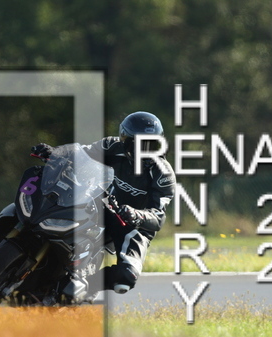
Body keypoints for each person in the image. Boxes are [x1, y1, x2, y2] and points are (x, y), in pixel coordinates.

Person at [31, 111, 176, 297]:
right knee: (45, 207)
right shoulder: (112, 146)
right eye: (140, 144)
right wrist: (56, 152)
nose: (146, 151)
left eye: (153, 145)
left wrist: (136, 214)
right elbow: (81, 152)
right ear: (126, 141)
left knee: (126, 277)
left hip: (132, 225)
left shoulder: (164, 174)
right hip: (100, 203)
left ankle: (81, 289)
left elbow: (158, 217)